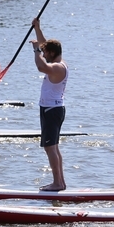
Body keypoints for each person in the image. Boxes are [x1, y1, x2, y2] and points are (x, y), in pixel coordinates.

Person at [30, 18, 68, 191]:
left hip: (52, 110)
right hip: (50, 109)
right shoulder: (57, 60)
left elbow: (41, 67)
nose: (44, 55)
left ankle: (58, 183)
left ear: (52, 53)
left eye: (46, 53)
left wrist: (36, 49)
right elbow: (46, 45)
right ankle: (60, 182)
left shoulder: (58, 67)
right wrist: (38, 28)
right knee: (53, 147)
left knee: (49, 147)